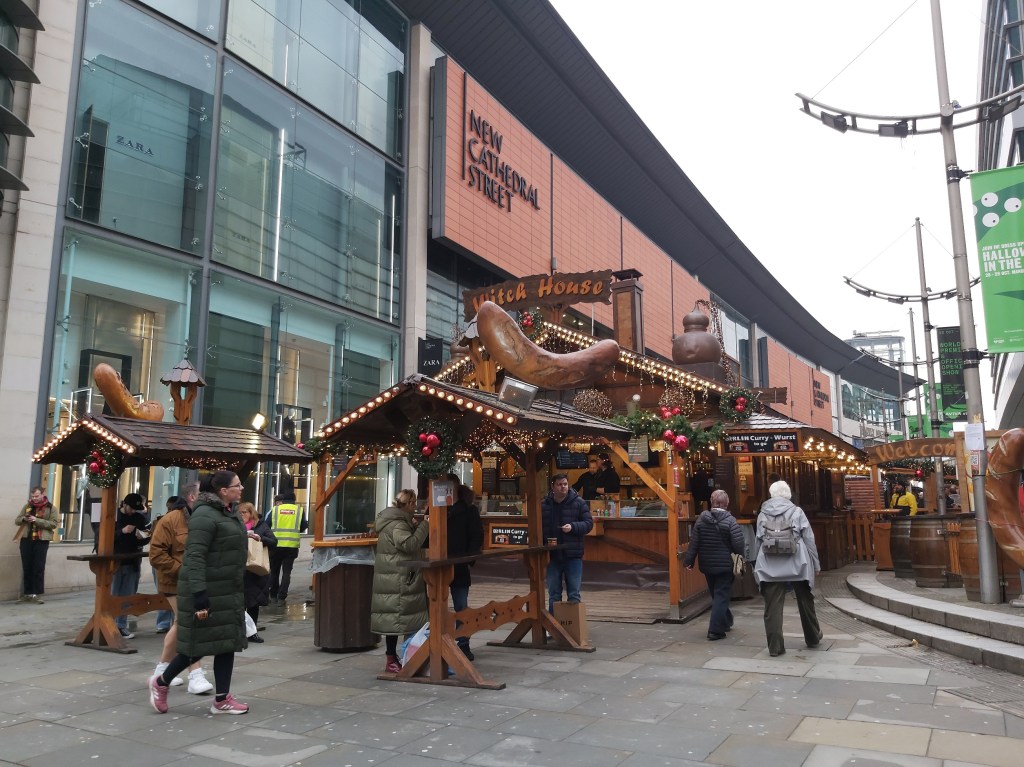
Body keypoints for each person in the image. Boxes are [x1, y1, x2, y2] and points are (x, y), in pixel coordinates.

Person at [149, 470, 249, 715]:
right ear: (223, 491)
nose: (241, 488)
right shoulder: (204, 515)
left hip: (227, 588)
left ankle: (222, 699)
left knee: (227, 642)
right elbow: (194, 556)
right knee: (196, 645)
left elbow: (223, 543)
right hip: (207, 589)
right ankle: (161, 683)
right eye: (237, 485)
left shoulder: (229, 511)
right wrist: (199, 593)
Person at [148, 492, 213, 694]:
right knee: (189, 622)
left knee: (180, 624)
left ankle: (162, 669)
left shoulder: (204, 519)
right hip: (174, 583)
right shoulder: (170, 520)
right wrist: (184, 571)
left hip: (196, 582)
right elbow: (156, 554)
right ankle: (195, 674)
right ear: (192, 497)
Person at [753, 480, 822, 657]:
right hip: (798, 562)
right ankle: (813, 637)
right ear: (788, 494)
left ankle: (775, 647)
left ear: (771, 494)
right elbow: (809, 539)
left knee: (772, 607)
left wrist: (755, 564)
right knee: (805, 600)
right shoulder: (797, 511)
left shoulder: (762, 513)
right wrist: (816, 563)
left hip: (770, 564)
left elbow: (759, 539)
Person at [370, 489, 429, 674]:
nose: (416, 507)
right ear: (409, 504)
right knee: (396, 620)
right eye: (414, 503)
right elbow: (409, 545)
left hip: (396, 576)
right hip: (398, 578)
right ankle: (393, 658)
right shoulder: (397, 525)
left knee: (399, 619)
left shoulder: (396, 521)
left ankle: (403, 656)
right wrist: (424, 526)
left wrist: (414, 525)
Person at [683, 489, 745, 640]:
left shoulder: (701, 520)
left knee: (717, 594)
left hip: (707, 565)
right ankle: (715, 630)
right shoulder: (730, 521)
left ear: (712, 502)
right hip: (725, 565)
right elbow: (738, 544)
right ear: (726, 503)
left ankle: (726, 621)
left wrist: (689, 561)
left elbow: (694, 542)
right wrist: (741, 557)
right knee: (721, 595)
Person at [542, 473, 593, 614]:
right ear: (552, 486)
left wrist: (573, 527)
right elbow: (538, 527)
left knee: (574, 594)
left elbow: (589, 524)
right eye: (559, 484)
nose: (563, 487)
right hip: (552, 555)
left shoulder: (579, 502)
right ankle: (553, 626)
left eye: (565, 484)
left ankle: (574, 628)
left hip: (573, 554)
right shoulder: (544, 504)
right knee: (554, 594)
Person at [446, 475, 484, 660]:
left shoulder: (468, 509)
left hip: (459, 564)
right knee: (436, 604)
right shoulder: (436, 507)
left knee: (461, 606)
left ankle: (463, 644)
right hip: (438, 564)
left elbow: (476, 534)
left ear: (455, 486)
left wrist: (470, 557)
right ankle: (439, 640)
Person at [112, 493, 149, 639]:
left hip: (133, 560)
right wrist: (122, 531)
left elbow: (147, 534)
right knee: (114, 593)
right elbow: (104, 536)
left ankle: (121, 625)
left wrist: (143, 538)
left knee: (128, 595)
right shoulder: (114, 517)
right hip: (115, 560)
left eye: (136, 509)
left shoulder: (139, 518)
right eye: (132, 508)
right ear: (124, 505)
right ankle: (110, 623)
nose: (133, 511)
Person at [239, 502, 276, 643]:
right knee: (240, 603)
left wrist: (260, 538)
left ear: (251, 513)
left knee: (253, 603)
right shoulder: (236, 526)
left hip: (256, 570)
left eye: (245, 512)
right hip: (241, 569)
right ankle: (242, 631)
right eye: (240, 512)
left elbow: (274, 541)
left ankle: (252, 633)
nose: (242, 515)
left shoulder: (261, 526)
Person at [15, 486, 60, 603]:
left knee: (38, 567)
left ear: (42, 494)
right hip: (26, 540)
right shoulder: (27, 506)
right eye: (32, 496)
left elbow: (53, 524)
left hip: (41, 540)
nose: (34, 498)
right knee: (27, 567)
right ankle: (27, 594)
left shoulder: (51, 508)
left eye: (36, 496)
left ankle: (37, 594)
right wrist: (25, 519)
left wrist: (36, 520)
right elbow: (17, 520)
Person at [268, 491, 306, 604]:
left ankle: (273, 595)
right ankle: (282, 597)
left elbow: (267, 524)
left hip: (275, 545)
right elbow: (303, 526)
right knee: (286, 572)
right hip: (291, 546)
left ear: (283, 500)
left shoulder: (275, 510)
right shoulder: (299, 511)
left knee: (274, 571)